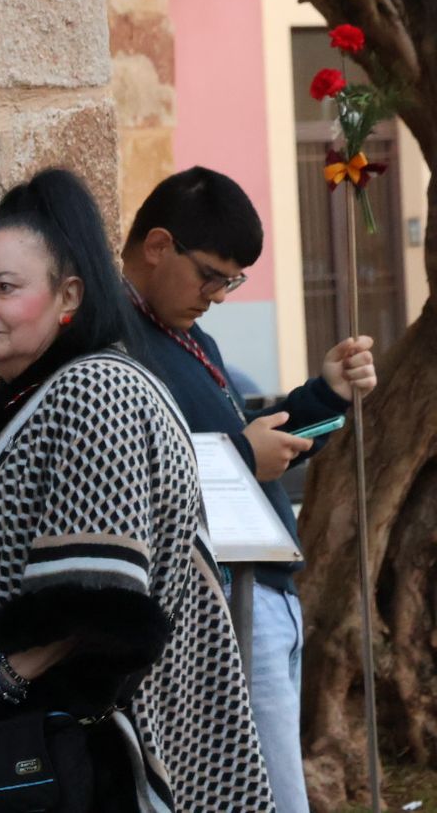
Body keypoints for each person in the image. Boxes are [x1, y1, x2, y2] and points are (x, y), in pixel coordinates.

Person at [0, 168, 275, 812]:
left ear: (67, 296)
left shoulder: (95, 390)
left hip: (89, 759)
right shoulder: (35, 395)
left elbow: (97, 607)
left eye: (5, 288)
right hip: (44, 747)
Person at [121, 166, 376, 812]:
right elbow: (134, 476)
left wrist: (326, 395)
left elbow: (256, 447)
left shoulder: (186, 333)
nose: (217, 295)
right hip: (217, 602)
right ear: (157, 246)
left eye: (230, 281)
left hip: (264, 592)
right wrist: (241, 453)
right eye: (210, 274)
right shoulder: (115, 342)